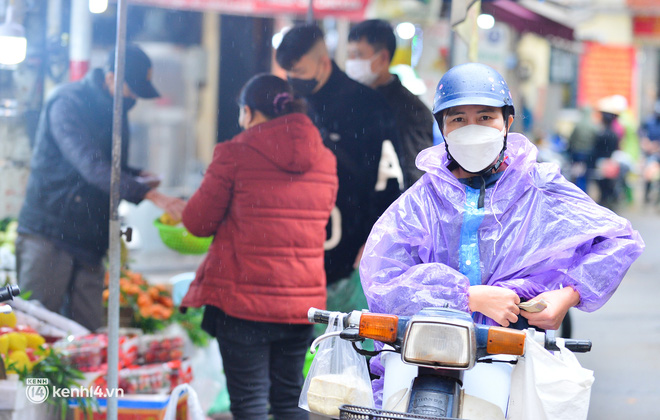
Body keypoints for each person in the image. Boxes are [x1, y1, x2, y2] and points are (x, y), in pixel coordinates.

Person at [358, 63, 644, 407]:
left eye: (485, 117)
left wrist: (567, 296)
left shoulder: (539, 188)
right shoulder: (422, 199)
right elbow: (383, 279)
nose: (472, 129)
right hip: (424, 359)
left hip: (511, 354)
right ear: (443, 128)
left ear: (507, 123)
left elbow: (618, 240)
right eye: (458, 119)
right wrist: (465, 297)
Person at [180, 74, 338, 420]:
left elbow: (197, 222)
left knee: (250, 404)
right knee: (288, 401)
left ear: (249, 112)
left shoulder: (234, 153)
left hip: (243, 305)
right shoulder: (325, 159)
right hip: (301, 303)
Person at [16, 44, 185, 331]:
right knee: (37, 329)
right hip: (49, 235)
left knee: (88, 337)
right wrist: (148, 193)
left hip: (90, 240)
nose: (134, 98)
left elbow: (108, 165)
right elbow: (90, 164)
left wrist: (136, 175)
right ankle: (37, 382)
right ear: (111, 77)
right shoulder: (67, 103)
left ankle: (87, 381)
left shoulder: (117, 109)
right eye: (132, 89)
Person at [276, 24, 402, 313]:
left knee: (340, 348)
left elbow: (389, 180)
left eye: (300, 72)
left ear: (323, 62)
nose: (295, 80)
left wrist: (374, 240)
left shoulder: (367, 105)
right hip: (292, 251)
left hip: (347, 251)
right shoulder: (288, 105)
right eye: (289, 74)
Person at [346, 19, 434, 189]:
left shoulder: (411, 109)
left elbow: (415, 173)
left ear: (383, 57)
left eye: (357, 55)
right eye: (349, 55)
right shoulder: (350, 100)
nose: (351, 62)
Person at [591, 97, 624, 209]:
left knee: (604, 188)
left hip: (603, 163)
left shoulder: (603, 133)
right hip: (609, 162)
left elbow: (596, 150)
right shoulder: (613, 133)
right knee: (606, 187)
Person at [567, 106, 597, 193]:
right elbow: (595, 140)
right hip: (588, 154)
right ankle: (583, 192)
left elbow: (572, 139)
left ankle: (577, 191)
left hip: (577, 153)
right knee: (585, 175)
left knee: (576, 174)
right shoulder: (592, 126)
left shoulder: (578, 125)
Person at [640, 100, 660, 204]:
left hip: (658, 153)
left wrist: (657, 147)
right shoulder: (649, 121)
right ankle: (646, 196)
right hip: (649, 153)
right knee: (648, 174)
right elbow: (641, 132)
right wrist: (645, 142)